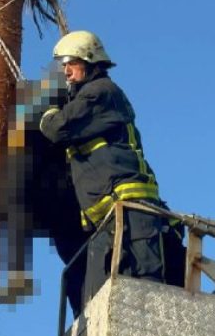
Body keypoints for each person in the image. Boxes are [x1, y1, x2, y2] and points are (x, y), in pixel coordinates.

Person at [39, 30, 183, 306]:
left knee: (145, 295)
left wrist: (47, 116)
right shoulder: (91, 101)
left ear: (90, 60)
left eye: (71, 63)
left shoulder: (101, 91)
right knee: (104, 300)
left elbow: (59, 128)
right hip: (111, 220)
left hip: (132, 213)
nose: (66, 71)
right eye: (62, 66)